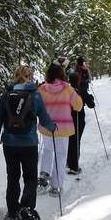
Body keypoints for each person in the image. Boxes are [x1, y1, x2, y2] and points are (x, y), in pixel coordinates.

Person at [0, 65, 56, 220]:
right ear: (30, 77)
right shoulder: (35, 95)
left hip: (9, 144)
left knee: (12, 177)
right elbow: (44, 117)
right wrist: (52, 127)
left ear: (15, 76)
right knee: (30, 178)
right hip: (29, 143)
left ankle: (12, 212)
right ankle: (27, 211)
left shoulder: (7, 95)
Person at [37, 63, 83, 197]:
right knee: (61, 155)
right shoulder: (68, 89)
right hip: (63, 128)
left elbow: (37, 106)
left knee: (48, 150)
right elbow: (78, 106)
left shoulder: (42, 89)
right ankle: (56, 186)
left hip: (47, 127)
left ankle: (43, 177)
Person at [66, 71, 95, 175]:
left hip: (67, 118)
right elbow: (91, 105)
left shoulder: (66, 90)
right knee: (76, 141)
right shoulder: (82, 91)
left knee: (70, 140)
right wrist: (90, 98)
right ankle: (74, 166)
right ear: (78, 80)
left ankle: (69, 162)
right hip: (78, 119)